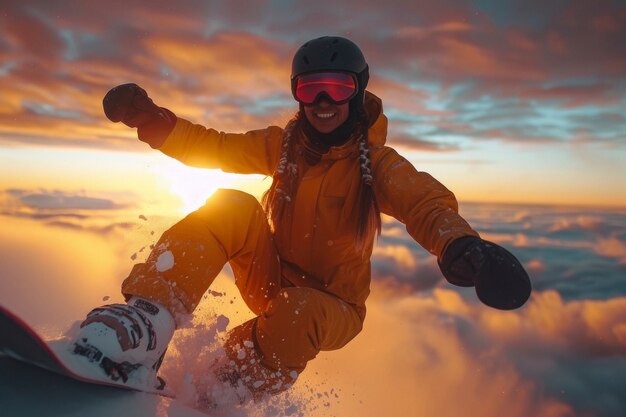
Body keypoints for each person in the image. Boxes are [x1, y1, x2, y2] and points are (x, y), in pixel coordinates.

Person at [73, 36, 531, 403]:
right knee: (231, 203)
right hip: (272, 279)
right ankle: (147, 320)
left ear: (359, 90)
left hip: (332, 307)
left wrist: (461, 245)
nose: (325, 100)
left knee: (297, 311)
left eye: (339, 87)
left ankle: (228, 384)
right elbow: (216, 146)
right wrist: (156, 122)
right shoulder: (284, 146)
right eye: (311, 89)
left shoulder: (378, 164)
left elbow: (424, 205)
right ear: (297, 94)